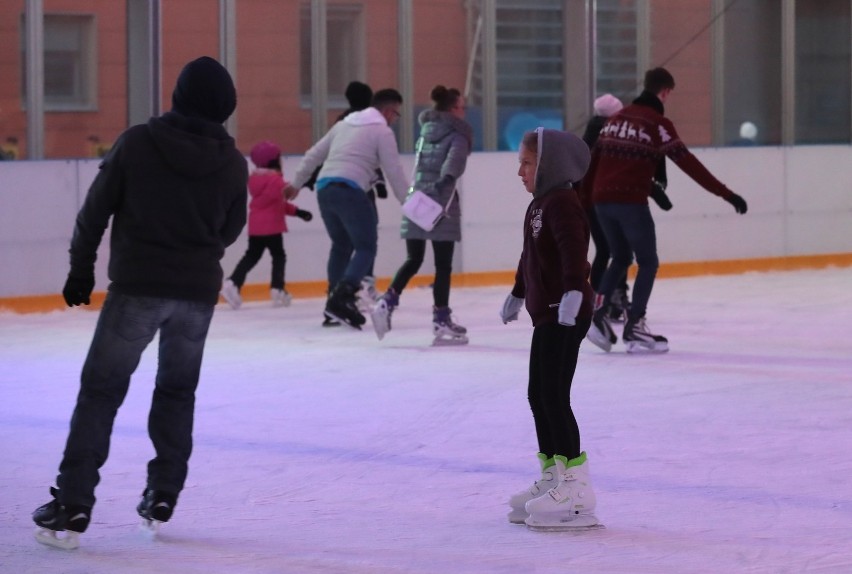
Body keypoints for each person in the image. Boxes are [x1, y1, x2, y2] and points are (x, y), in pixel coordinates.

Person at [32, 56, 248, 549]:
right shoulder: (233, 163)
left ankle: (73, 503)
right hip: (195, 297)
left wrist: (80, 270)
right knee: (176, 392)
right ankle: (164, 491)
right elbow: (232, 229)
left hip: (137, 289)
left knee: (101, 391)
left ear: (177, 96)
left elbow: (94, 213)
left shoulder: (139, 143)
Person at [582, 67, 748, 354]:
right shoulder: (657, 123)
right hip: (629, 202)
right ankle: (634, 326)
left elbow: (592, 161)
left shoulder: (614, 120)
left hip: (600, 200)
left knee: (619, 256)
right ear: (665, 92)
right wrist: (727, 194)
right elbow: (689, 164)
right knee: (648, 261)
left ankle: (597, 315)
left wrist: (586, 201)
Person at [500, 128, 602, 531]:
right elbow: (531, 256)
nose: (520, 172)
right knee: (538, 394)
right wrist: (517, 293)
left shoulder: (563, 203)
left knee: (555, 396)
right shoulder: (539, 204)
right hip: (547, 314)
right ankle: (553, 477)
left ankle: (576, 489)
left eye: (526, 163)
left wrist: (576, 292)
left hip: (565, 312)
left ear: (548, 166)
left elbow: (574, 249)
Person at [287, 88, 410, 329]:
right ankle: (342, 298)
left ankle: (331, 305)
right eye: (396, 114)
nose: (395, 119)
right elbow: (394, 172)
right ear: (387, 111)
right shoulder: (381, 131)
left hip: (325, 188)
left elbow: (314, 154)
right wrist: (409, 203)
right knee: (366, 247)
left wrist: (296, 184)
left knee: (341, 245)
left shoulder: (344, 125)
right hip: (350, 189)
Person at [370, 85, 473, 345]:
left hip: (418, 200)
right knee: (443, 265)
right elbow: (452, 168)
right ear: (453, 109)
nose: (465, 112)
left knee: (413, 259)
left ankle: (387, 302)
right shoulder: (458, 136)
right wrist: (444, 182)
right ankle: (440, 319)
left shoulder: (426, 132)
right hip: (442, 205)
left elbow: (421, 165)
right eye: (463, 107)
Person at [221, 140, 313, 310]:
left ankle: (233, 282)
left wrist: (298, 212)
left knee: (252, 255)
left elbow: (277, 203)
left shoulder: (255, 179)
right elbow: (287, 193)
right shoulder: (276, 181)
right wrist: (304, 182)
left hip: (256, 227)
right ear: (273, 160)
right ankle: (277, 288)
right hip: (272, 227)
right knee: (278, 256)